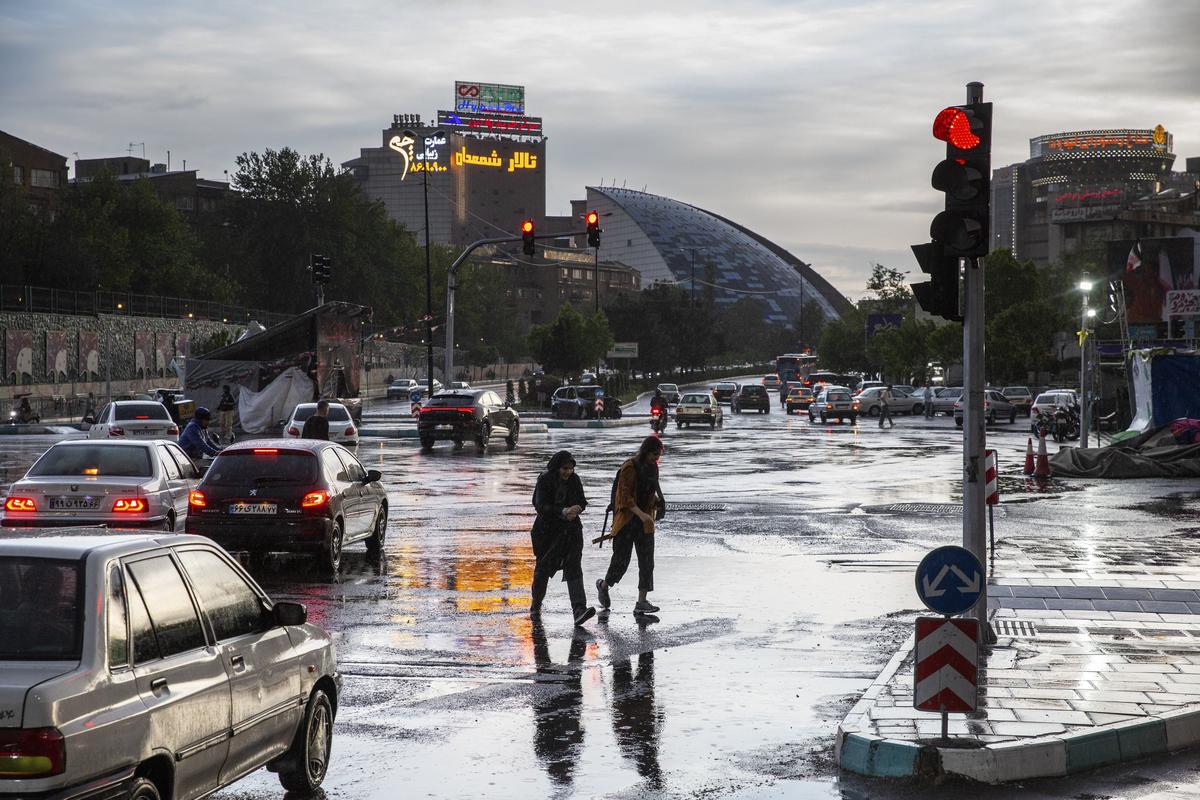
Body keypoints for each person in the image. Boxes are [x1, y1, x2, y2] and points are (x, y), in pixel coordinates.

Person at [597, 436, 664, 616]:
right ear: (645, 451)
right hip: (627, 522)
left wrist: (658, 503)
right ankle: (604, 586)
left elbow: (649, 491)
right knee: (621, 561)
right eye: (653, 455)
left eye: (658, 456)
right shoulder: (629, 467)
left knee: (647, 562)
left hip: (645, 523)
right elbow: (625, 498)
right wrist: (642, 515)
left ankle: (641, 602)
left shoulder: (653, 468)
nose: (655, 458)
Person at [530, 451, 595, 626]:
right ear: (557, 467)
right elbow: (540, 505)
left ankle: (579, 610)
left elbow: (582, 500)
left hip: (571, 531)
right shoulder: (544, 480)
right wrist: (562, 511)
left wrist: (577, 509)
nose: (568, 472)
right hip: (547, 533)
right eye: (565, 468)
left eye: (571, 469)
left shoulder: (575, 480)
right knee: (543, 570)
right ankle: (536, 605)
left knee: (574, 566)